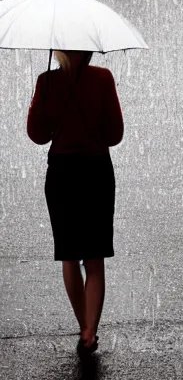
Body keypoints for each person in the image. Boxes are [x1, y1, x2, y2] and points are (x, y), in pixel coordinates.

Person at [27, 50, 123, 356]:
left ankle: (83, 328)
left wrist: (47, 107)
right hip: (96, 170)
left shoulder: (47, 82)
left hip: (62, 174)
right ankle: (91, 331)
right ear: (90, 48)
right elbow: (114, 134)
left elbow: (37, 135)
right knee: (94, 259)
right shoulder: (102, 79)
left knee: (69, 256)